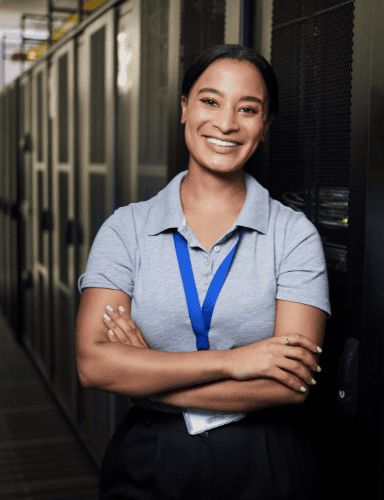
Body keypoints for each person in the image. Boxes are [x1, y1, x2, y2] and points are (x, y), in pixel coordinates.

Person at [75, 44, 331, 500]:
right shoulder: (126, 228)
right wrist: (235, 362)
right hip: (151, 455)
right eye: (210, 101)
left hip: (265, 458)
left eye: (247, 109)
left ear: (265, 126)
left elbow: (290, 384)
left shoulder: (294, 235)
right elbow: (94, 364)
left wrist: (150, 376)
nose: (226, 123)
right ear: (184, 109)